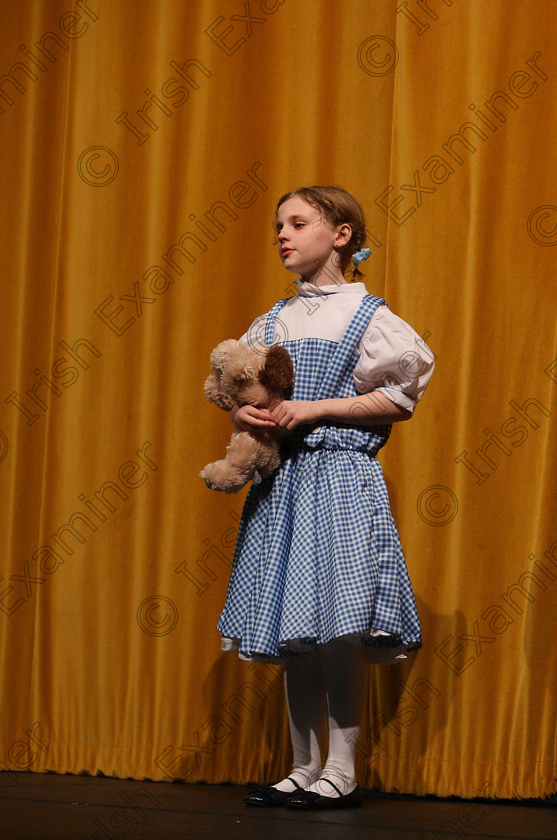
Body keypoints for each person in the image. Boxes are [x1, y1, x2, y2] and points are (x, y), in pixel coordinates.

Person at [215, 185, 434, 810]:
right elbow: (242, 392)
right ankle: (301, 768)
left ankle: (342, 770)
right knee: (293, 630)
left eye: (299, 222)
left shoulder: (368, 316)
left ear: (341, 235)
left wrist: (318, 407)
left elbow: (402, 394)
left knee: (337, 628)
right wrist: (249, 418)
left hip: (337, 477)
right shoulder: (272, 321)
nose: (283, 234)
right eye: (278, 224)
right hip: (282, 482)